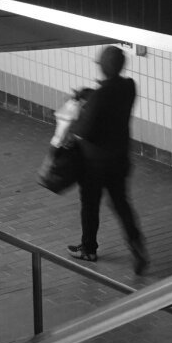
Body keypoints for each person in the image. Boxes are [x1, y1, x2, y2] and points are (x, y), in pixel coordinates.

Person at [66, 45, 149, 274]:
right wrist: (90, 94)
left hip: (94, 164)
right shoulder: (128, 87)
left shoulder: (101, 96)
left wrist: (75, 120)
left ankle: (88, 248)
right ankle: (138, 247)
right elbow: (109, 96)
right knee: (121, 204)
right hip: (119, 159)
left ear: (104, 66)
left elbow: (86, 130)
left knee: (90, 205)